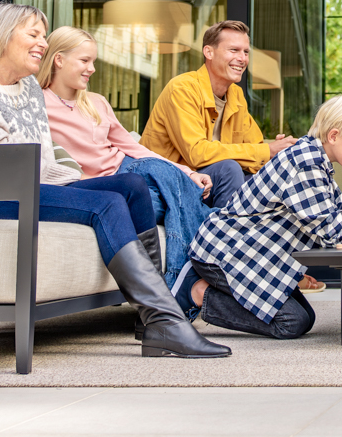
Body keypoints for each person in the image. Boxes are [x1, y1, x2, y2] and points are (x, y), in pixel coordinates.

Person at [0, 2, 230, 359]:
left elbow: (43, 163)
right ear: (2, 35)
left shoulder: (28, 91)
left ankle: (154, 314)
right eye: (33, 34)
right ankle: (165, 319)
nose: (42, 42)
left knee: (128, 188)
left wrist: (74, 182)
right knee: (106, 203)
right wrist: (75, 190)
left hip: (28, 187)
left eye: (44, 35)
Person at [183, 93, 342, 340]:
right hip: (225, 255)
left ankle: (209, 289)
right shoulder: (305, 163)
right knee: (291, 322)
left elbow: (331, 208)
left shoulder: (315, 160)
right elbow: (325, 228)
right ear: (334, 136)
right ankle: (197, 293)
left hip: (251, 258)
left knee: (305, 317)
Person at [39, 26, 213, 296]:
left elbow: (133, 147)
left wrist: (187, 171)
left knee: (169, 178)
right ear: (58, 60)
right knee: (175, 201)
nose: (92, 69)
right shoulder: (39, 106)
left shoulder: (96, 102)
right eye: (84, 61)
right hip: (111, 186)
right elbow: (49, 164)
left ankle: (180, 283)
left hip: (133, 169)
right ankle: (217, 229)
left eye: (93, 61)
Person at [140, 20, 294, 212]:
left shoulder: (235, 95)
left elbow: (256, 148)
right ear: (209, 52)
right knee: (229, 169)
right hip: (166, 182)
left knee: (266, 182)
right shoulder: (182, 88)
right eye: (234, 50)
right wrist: (264, 152)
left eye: (246, 52)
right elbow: (196, 153)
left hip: (209, 182)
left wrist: (279, 153)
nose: (242, 58)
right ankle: (220, 236)